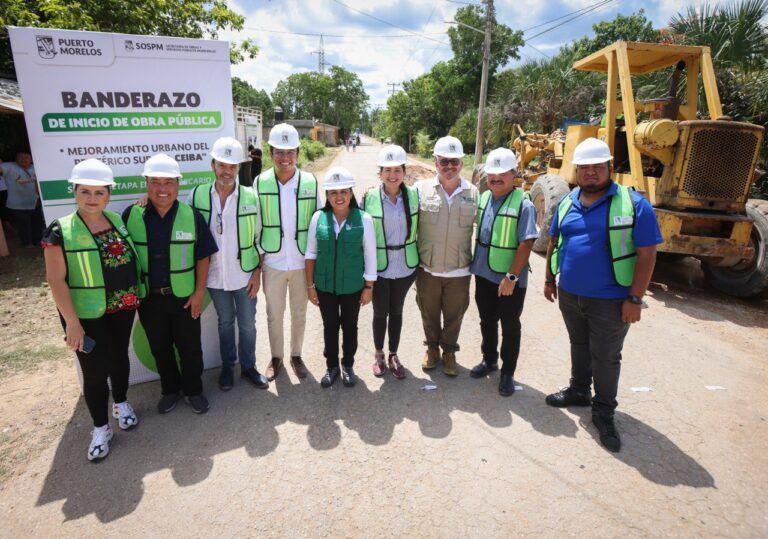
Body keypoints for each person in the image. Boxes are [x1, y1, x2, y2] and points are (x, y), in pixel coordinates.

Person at [544, 137, 662, 452]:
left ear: (609, 167)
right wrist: (548, 280)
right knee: (579, 344)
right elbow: (556, 242)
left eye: (598, 166)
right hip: (570, 294)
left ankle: (604, 411)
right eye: (585, 168)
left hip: (611, 300)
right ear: (577, 170)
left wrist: (635, 298)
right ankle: (579, 390)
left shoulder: (633, 204)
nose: (592, 173)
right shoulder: (567, 201)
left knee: (606, 356)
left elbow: (648, 254)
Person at [42, 159, 142, 461]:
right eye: (84, 191)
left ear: (108, 194)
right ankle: (101, 428)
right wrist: (72, 323)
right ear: (74, 191)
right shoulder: (60, 230)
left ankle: (121, 402)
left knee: (119, 358)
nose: (92, 198)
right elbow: (55, 279)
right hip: (85, 315)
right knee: (94, 371)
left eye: (99, 192)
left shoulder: (116, 220)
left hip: (122, 307)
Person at [124, 154, 218, 415]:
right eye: (155, 182)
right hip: (149, 299)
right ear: (146, 183)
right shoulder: (133, 214)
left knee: (190, 348)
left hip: (184, 297)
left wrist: (199, 292)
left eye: (168, 183)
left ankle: (193, 390)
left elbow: (203, 256)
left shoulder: (191, 216)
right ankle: (169, 390)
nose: (162, 189)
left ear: (178, 184)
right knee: (160, 348)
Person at [189, 137, 268, 392]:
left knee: (247, 324)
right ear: (213, 165)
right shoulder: (197, 195)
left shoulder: (250, 197)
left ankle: (248, 367)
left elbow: (260, 239)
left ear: (238, 169)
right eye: (222, 165)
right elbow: (177, 219)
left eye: (232, 166)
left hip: (244, 275)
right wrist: (145, 198)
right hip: (214, 276)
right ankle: (227, 366)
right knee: (224, 322)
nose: (227, 171)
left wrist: (257, 274)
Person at [469, 148, 538, 396]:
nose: (496, 178)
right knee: (487, 320)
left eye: (502, 174)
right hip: (484, 273)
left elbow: (527, 243)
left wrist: (511, 277)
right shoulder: (484, 198)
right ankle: (489, 361)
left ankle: (507, 372)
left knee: (509, 325)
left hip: (509, 279)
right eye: (492, 174)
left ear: (513, 175)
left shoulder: (524, 204)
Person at [255, 123, 320, 381]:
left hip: (302, 262)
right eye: (279, 152)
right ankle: (276, 357)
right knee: (273, 313)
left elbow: (318, 224)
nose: (285, 158)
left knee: (299, 313)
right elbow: (255, 226)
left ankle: (296, 355)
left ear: (298, 153)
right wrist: (259, 265)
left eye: (290, 152)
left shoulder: (310, 182)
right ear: (270, 153)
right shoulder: (259, 183)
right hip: (273, 262)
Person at [305, 167, 377, 388]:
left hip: (353, 286)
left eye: (344, 191)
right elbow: (310, 254)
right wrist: (310, 286)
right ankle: (332, 366)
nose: (339, 197)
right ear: (327, 196)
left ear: (351, 193)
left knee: (350, 325)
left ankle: (347, 364)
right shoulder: (319, 217)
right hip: (325, 285)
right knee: (330, 326)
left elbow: (370, 254)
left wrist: (368, 286)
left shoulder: (363, 219)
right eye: (333, 192)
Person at [414, 136, 478, 376]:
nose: (449, 167)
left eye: (454, 161)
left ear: (461, 163)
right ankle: (432, 349)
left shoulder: (473, 193)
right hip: (428, 268)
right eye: (444, 162)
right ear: (436, 162)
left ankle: (449, 351)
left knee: (455, 314)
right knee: (428, 312)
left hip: (459, 269)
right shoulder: (420, 190)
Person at [362, 145, 419, 378]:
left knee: (397, 311)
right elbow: (362, 235)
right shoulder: (369, 197)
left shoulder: (414, 195)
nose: (392, 175)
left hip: (405, 265)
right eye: (387, 170)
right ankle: (379, 355)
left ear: (404, 172)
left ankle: (393, 354)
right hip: (379, 267)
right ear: (380, 173)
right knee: (380, 312)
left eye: (397, 170)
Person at [0, 150, 44, 248]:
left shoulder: (36, 168)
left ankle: (37, 242)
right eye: (21, 157)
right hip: (17, 205)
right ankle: (27, 244)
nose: (23, 159)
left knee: (37, 224)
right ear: (16, 159)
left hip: (34, 203)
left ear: (31, 159)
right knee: (23, 226)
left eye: (26, 157)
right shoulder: (9, 167)